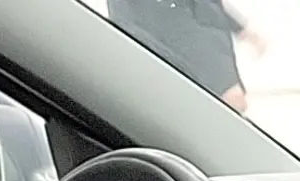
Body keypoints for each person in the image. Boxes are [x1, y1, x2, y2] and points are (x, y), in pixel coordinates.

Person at [108, 0, 252, 112]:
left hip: (196, 41)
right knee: (231, 103)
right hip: (178, 46)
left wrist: (239, 28)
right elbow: (123, 23)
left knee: (233, 103)